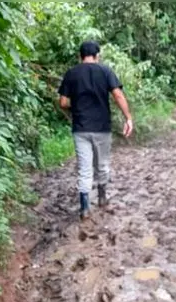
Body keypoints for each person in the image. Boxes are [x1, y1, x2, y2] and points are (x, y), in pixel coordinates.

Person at [57, 40, 134, 220]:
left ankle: (84, 208)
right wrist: (128, 118)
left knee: (84, 169)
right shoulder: (105, 71)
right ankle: (101, 197)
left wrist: (74, 108)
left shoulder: (71, 73)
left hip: (80, 128)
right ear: (97, 55)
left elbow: (62, 102)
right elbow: (117, 94)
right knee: (102, 165)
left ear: (80, 56)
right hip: (102, 128)